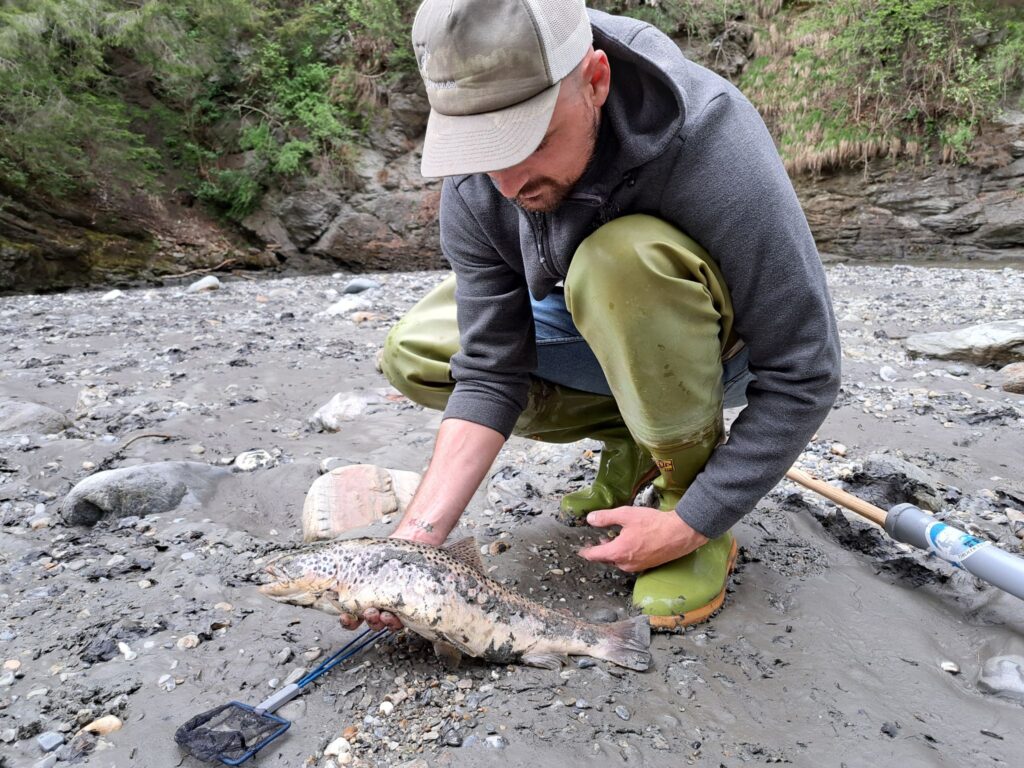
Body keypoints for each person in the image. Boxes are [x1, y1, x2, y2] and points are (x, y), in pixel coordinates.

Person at [340, 0, 841, 633]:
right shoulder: (479, 182)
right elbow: (492, 371)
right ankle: (634, 440)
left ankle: (683, 488)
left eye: (532, 139)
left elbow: (805, 368)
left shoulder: (710, 138)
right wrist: (412, 545)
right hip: (593, 327)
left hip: (718, 349)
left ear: (595, 80)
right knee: (418, 351)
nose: (509, 181)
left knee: (618, 263)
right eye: (483, 149)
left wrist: (695, 521)